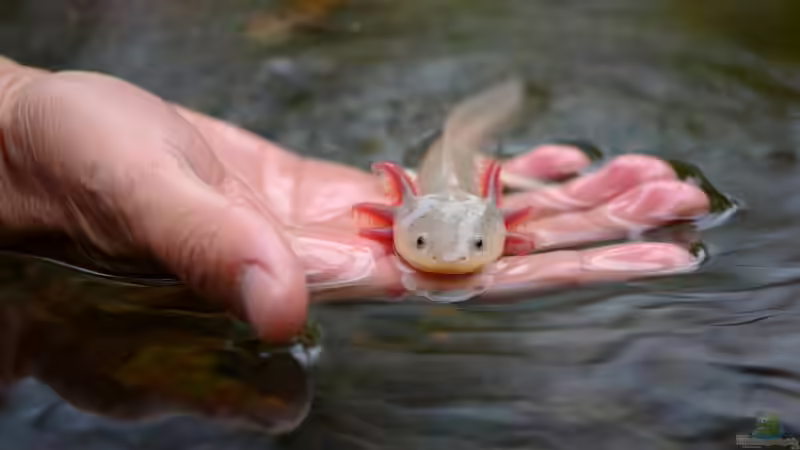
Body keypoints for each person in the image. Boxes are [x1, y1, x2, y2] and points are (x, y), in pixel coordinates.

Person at [0, 56, 710, 343]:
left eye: (477, 246)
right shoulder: (394, 211)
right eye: (428, 244)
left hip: (478, 184)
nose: (452, 260)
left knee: (487, 167)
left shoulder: (496, 214)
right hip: (428, 186)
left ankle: (486, 137)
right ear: (390, 211)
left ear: (505, 225)